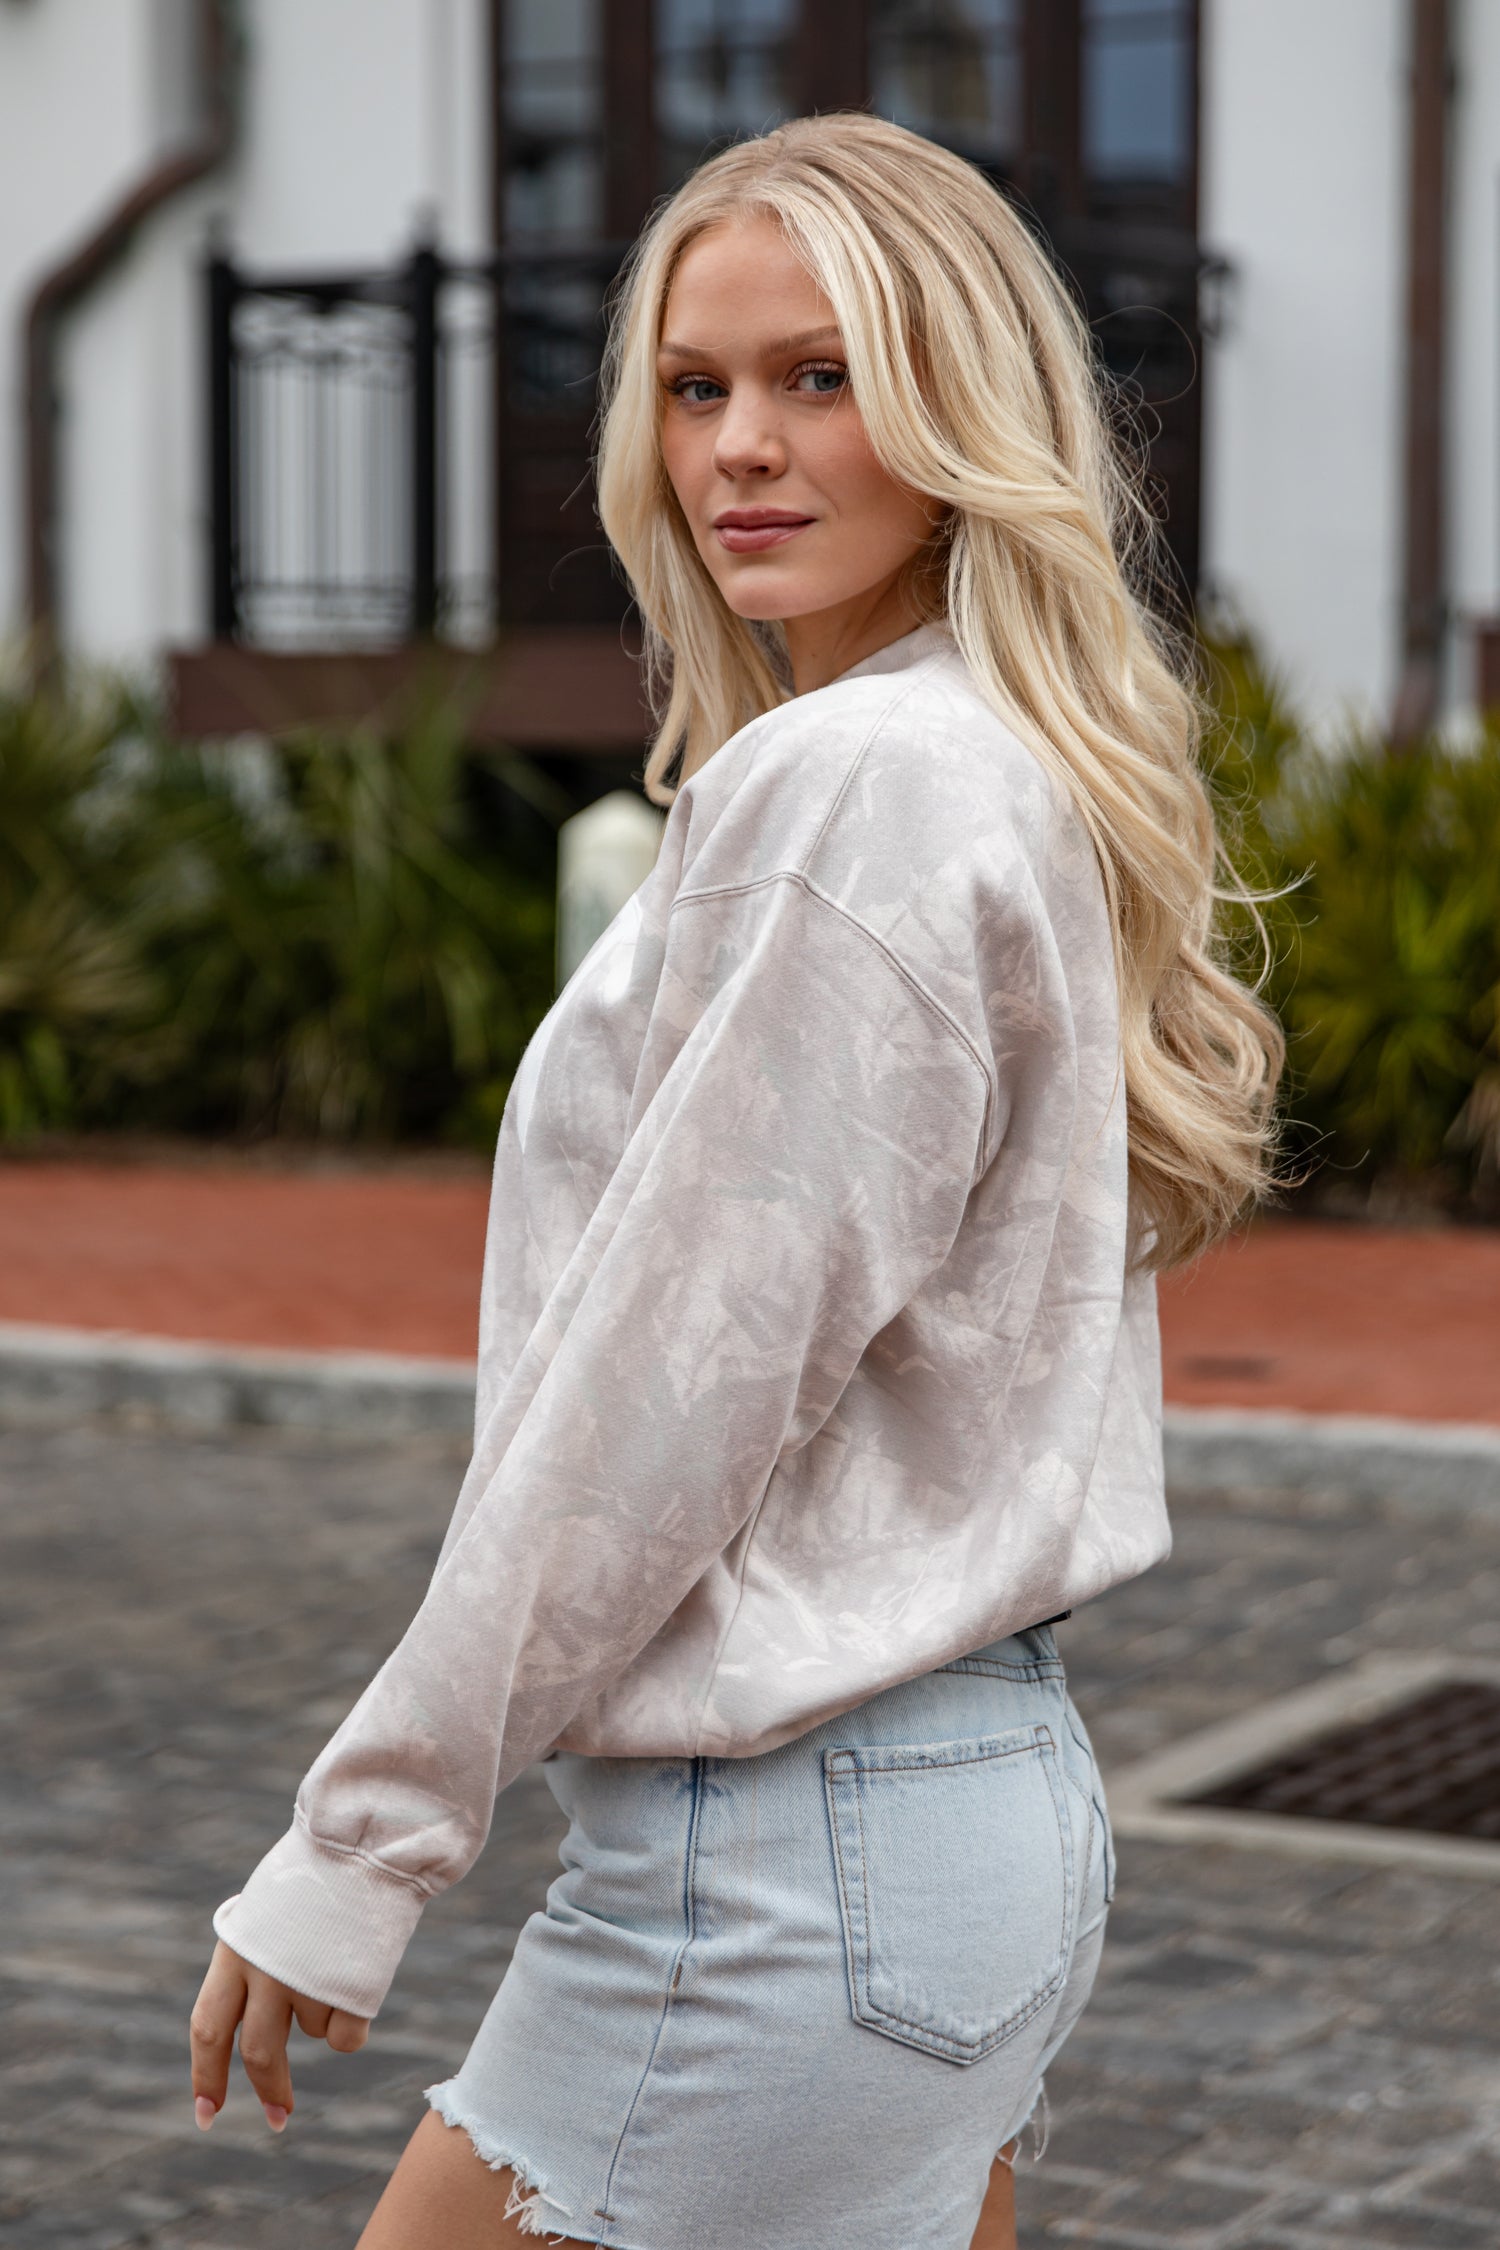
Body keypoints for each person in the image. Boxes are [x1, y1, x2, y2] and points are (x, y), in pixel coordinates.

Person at [189, 113, 1282, 2250]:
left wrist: (366, 1838)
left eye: (822, 375)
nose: (741, 450)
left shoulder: (862, 779)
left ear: (961, 400)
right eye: (697, 388)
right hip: (983, 1824)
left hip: (791, 1858)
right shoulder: (995, 757)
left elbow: (665, 1395)